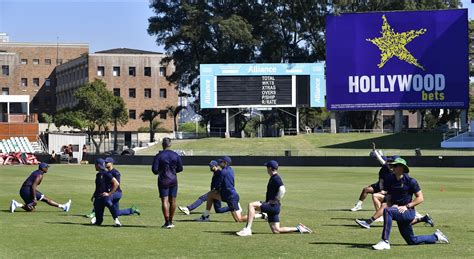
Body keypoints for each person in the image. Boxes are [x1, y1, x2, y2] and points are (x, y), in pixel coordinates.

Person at [359, 157, 449, 250]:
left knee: (387, 211)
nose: (392, 167)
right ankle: (436, 236)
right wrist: (391, 204)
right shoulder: (390, 179)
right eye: (392, 165)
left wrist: (407, 206)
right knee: (412, 241)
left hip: (408, 212)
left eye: (395, 165)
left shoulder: (411, 181)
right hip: (398, 211)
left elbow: (420, 198)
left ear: (402, 168)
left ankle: (385, 241)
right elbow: (390, 196)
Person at [236, 160, 312, 236]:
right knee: (276, 230)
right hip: (274, 207)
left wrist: (276, 199)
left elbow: (282, 189)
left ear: (269, 168)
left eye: (267, 167)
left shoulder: (276, 178)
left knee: (251, 205)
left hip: (272, 206)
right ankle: (299, 228)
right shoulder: (273, 177)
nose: (266, 169)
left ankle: (248, 229)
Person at [87, 158, 141, 223]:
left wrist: (109, 192)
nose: (105, 163)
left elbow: (116, 184)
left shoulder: (115, 173)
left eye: (107, 162)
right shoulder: (104, 172)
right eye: (105, 162)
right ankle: (132, 210)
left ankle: (94, 213)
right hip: (110, 192)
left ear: (111, 163)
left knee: (104, 199)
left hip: (116, 193)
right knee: (116, 212)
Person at [196, 156, 247, 222]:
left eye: (221, 162)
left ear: (225, 163)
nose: (219, 163)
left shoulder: (223, 172)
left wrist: (216, 189)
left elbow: (219, 184)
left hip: (230, 197)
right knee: (210, 195)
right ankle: (205, 216)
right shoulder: (230, 169)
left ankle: (260, 215)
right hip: (228, 194)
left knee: (239, 219)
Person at [350, 143, 395, 213]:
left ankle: (384, 211)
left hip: (387, 189)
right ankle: (358, 205)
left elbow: (380, 159)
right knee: (366, 189)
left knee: (381, 199)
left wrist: (385, 191)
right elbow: (380, 158)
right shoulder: (384, 167)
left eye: (389, 162)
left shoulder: (392, 171)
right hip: (379, 185)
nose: (388, 163)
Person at [152, 137, 183, 229]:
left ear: (162, 145)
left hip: (163, 180)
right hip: (173, 179)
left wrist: (161, 171)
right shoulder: (175, 155)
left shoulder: (159, 156)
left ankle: (167, 222)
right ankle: (171, 220)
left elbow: (154, 170)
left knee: (164, 201)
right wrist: (173, 171)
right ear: (170, 144)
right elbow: (180, 168)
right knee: (173, 201)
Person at [91, 158, 120, 226]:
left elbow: (116, 183)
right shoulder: (98, 175)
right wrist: (93, 195)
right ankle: (97, 221)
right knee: (99, 222)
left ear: (98, 165)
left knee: (109, 204)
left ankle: (117, 220)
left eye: (95, 165)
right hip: (98, 198)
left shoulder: (107, 174)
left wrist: (109, 193)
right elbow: (98, 187)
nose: (94, 166)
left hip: (104, 197)